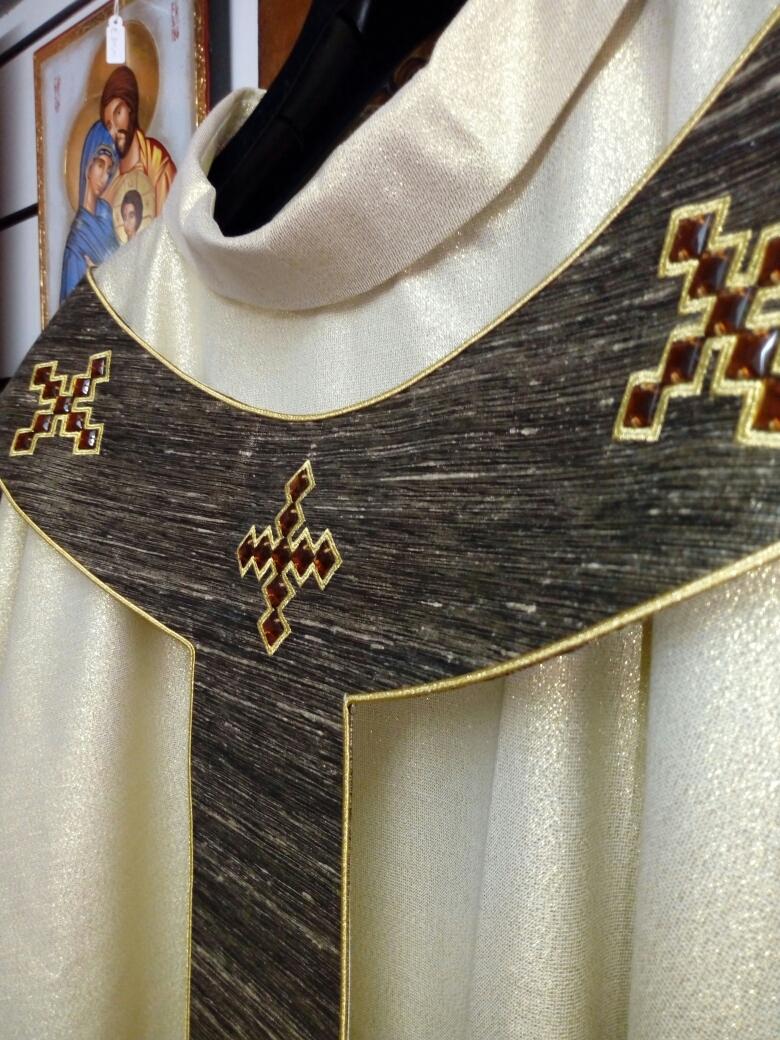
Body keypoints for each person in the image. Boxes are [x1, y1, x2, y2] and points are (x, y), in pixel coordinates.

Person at [100, 64, 176, 217]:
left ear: (130, 107)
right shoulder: (110, 187)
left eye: (118, 113)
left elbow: (168, 225)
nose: (115, 130)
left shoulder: (157, 163)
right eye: (109, 125)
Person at [59, 120, 119, 304]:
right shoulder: (76, 245)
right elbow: (75, 312)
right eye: (100, 165)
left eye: (109, 170)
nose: (104, 178)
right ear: (87, 166)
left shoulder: (106, 215)